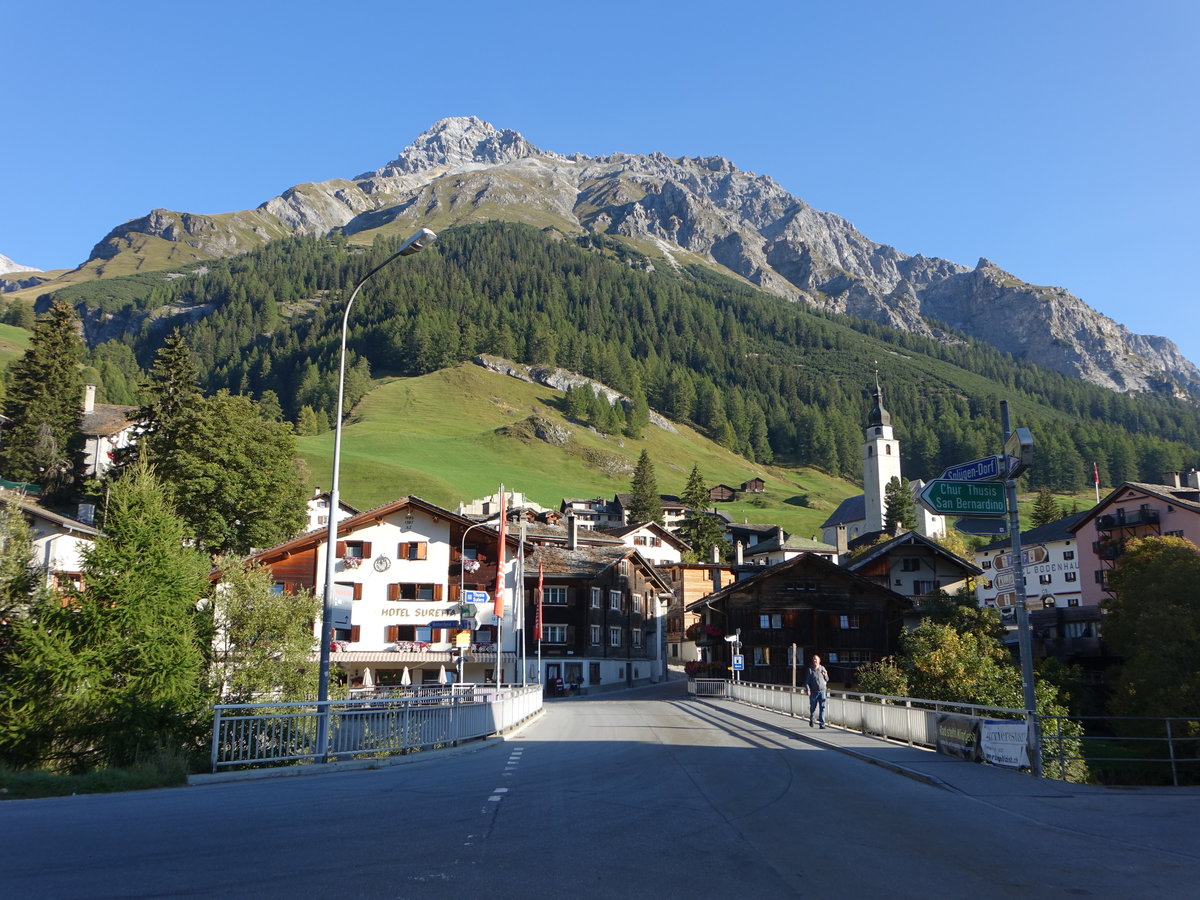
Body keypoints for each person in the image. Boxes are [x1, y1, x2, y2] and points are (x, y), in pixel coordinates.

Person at [805, 654, 830, 728]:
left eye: (816, 659)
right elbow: (806, 682)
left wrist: (826, 675)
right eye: (814, 659)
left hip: (822, 691)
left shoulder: (822, 668)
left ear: (819, 660)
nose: (815, 660)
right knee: (813, 707)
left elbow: (827, 679)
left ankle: (822, 724)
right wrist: (808, 690)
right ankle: (812, 719)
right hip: (813, 692)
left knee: (822, 707)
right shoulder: (810, 670)